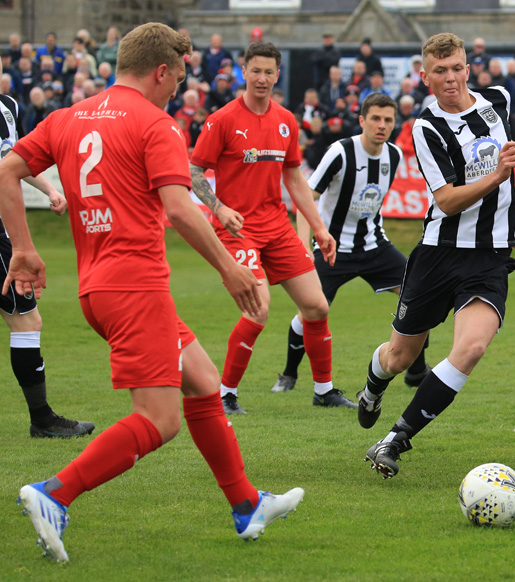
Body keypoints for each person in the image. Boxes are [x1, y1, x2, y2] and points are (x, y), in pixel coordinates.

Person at [2, 23, 303, 563]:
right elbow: (180, 209)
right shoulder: (155, 122)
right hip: (135, 287)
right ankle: (54, 494)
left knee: (203, 381)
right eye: (178, 79)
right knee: (160, 419)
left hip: (98, 289)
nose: (176, 89)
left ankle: (247, 504)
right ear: (161, 71)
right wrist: (230, 270)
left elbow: (7, 170)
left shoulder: (68, 117)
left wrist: (23, 247)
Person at [357, 33, 515, 479]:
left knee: (471, 347)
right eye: (440, 71)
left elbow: (506, 164)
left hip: (488, 258)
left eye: (457, 68)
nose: (451, 78)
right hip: (439, 254)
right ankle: (373, 386)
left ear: (468, 68)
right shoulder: (426, 127)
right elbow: (447, 200)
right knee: (399, 357)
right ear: (425, 77)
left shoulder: (498, 100)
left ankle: (395, 439)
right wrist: (498, 174)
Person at [190, 41, 348, 414]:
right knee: (258, 309)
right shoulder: (222, 119)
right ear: (244, 72)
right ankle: (225, 394)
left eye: (269, 72)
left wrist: (319, 228)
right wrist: (219, 208)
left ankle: (323, 390)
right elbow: (195, 172)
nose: (262, 78)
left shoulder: (285, 120)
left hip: (276, 226)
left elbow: (294, 178)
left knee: (317, 306)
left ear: (278, 75)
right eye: (256, 71)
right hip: (238, 230)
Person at [274, 94, 431, 394]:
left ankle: (416, 370)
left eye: (388, 120)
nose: (382, 125)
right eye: (375, 118)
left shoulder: (394, 155)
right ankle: (289, 373)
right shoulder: (340, 152)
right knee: (310, 310)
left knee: (419, 295)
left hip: (374, 246)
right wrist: (305, 245)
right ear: (361, 120)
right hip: (332, 249)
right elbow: (305, 197)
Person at [0, 64, 94, 439]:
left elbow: (13, 160)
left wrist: (51, 190)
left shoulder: (9, 106)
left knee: (26, 321)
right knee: (26, 323)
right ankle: (42, 420)